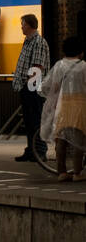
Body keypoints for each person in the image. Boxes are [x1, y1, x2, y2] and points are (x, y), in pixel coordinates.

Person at [39, 35, 86, 181]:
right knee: (78, 140)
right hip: (80, 105)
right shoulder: (84, 66)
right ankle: (77, 173)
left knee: (61, 139)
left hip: (62, 105)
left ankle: (62, 172)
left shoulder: (59, 65)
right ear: (80, 51)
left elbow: (50, 87)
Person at [13, 14, 49, 162]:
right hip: (26, 87)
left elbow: (37, 67)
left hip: (33, 88)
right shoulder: (28, 42)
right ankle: (31, 150)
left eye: (23, 24)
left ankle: (39, 151)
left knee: (36, 120)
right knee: (29, 121)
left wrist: (29, 87)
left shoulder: (38, 42)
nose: (21, 27)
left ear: (29, 25)